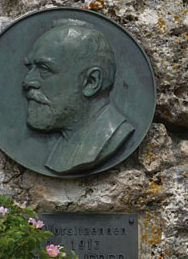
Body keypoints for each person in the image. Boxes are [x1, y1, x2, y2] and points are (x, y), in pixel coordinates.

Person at [22, 18, 135, 174]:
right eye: (30, 68)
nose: (28, 81)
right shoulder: (67, 140)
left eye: (44, 69)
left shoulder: (113, 136)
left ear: (91, 82)